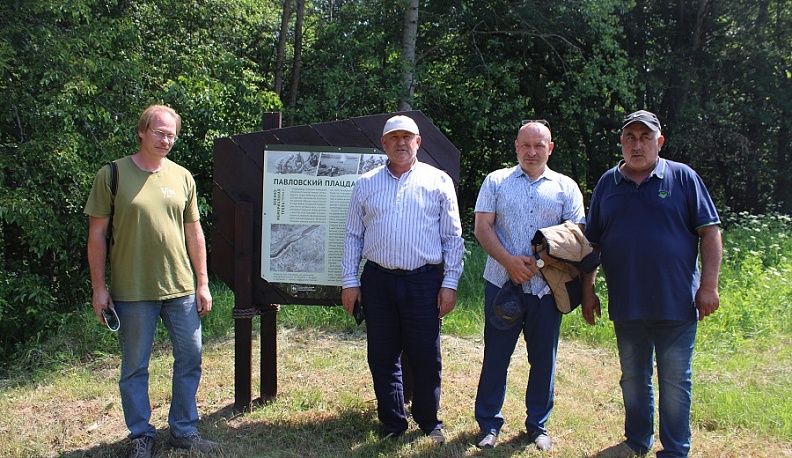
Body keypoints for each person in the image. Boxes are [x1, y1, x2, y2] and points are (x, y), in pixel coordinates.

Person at [582, 110, 722, 458]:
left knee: (674, 382)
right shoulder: (607, 184)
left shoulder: (683, 178)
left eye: (645, 137)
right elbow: (592, 244)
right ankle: (636, 442)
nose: (637, 144)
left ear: (659, 142)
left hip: (676, 303)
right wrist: (588, 291)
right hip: (627, 303)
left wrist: (709, 286)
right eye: (630, 137)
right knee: (633, 379)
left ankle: (675, 451)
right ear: (622, 142)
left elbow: (710, 233)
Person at [85, 105, 219, 458]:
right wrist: (100, 288)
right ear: (142, 132)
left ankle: (184, 430)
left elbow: (194, 232)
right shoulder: (112, 175)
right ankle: (141, 435)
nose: (166, 140)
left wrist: (202, 282)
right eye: (159, 132)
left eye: (171, 135)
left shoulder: (182, 177)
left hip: (180, 288)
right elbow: (96, 235)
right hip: (132, 290)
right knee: (135, 366)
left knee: (191, 357)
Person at [341, 114, 465, 445]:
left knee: (425, 354)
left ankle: (428, 420)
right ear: (383, 144)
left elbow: (453, 238)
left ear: (418, 142)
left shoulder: (438, 182)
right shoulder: (366, 184)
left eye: (407, 137)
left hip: (423, 281)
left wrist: (449, 283)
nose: (400, 142)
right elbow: (353, 235)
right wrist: (349, 282)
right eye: (393, 137)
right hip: (378, 280)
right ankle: (393, 422)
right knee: (381, 354)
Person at [473, 120, 585, 451]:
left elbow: (576, 236)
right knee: (496, 356)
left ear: (550, 148)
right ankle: (488, 424)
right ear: (516, 147)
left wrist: (537, 265)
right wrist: (509, 261)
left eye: (539, 145)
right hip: (501, 284)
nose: (532, 152)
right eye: (526, 145)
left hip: (547, 289)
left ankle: (537, 426)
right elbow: (482, 227)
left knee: (544, 359)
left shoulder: (565, 187)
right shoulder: (496, 181)